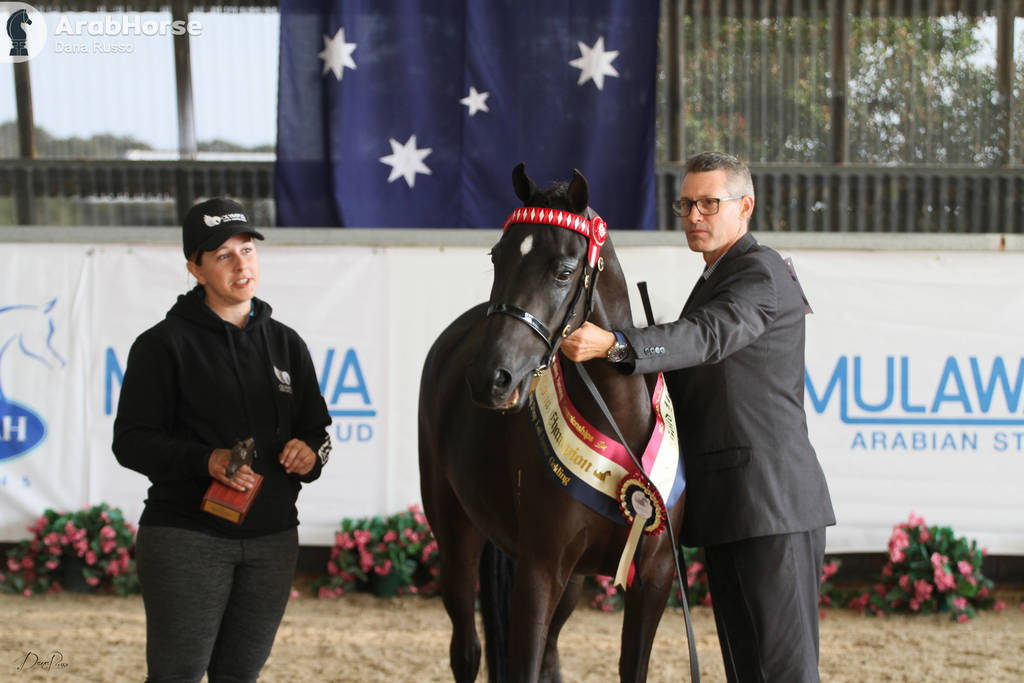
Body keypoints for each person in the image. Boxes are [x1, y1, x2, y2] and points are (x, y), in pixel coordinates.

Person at [562, 151, 835, 682]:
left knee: (783, 672)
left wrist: (617, 345)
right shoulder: (716, 279)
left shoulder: (760, 270)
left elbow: (707, 337)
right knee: (746, 670)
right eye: (686, 204)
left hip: (771, 504)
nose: (694, 216)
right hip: (732, 507)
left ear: (745, 206)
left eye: (709, 203)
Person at [113, 197, 332, 682]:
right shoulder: (161, 345)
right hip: (187, 537)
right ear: (195, 268)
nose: (242, 264)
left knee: (241, 675)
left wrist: (309, 453)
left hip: (274, 540)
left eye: (248, 250)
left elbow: (318, 431)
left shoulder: (287, 343)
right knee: (178, 675)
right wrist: (204, 460)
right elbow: (129, 442)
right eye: (223, 255)